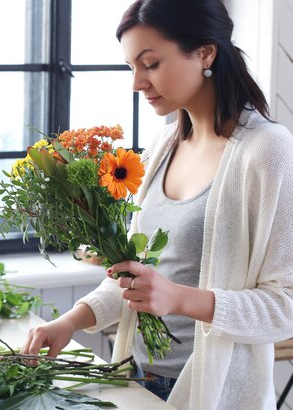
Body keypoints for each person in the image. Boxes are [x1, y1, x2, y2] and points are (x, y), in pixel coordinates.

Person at [21, 0, 293, 409]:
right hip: (137, 380)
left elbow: (284, 306)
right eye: (132, 66)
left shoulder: (268, 151)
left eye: (150, 64)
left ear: (205, 52)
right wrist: (70, 322)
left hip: (217, 394)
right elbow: (137, 280)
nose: (137, 82)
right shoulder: (163, 147)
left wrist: (178, 298)